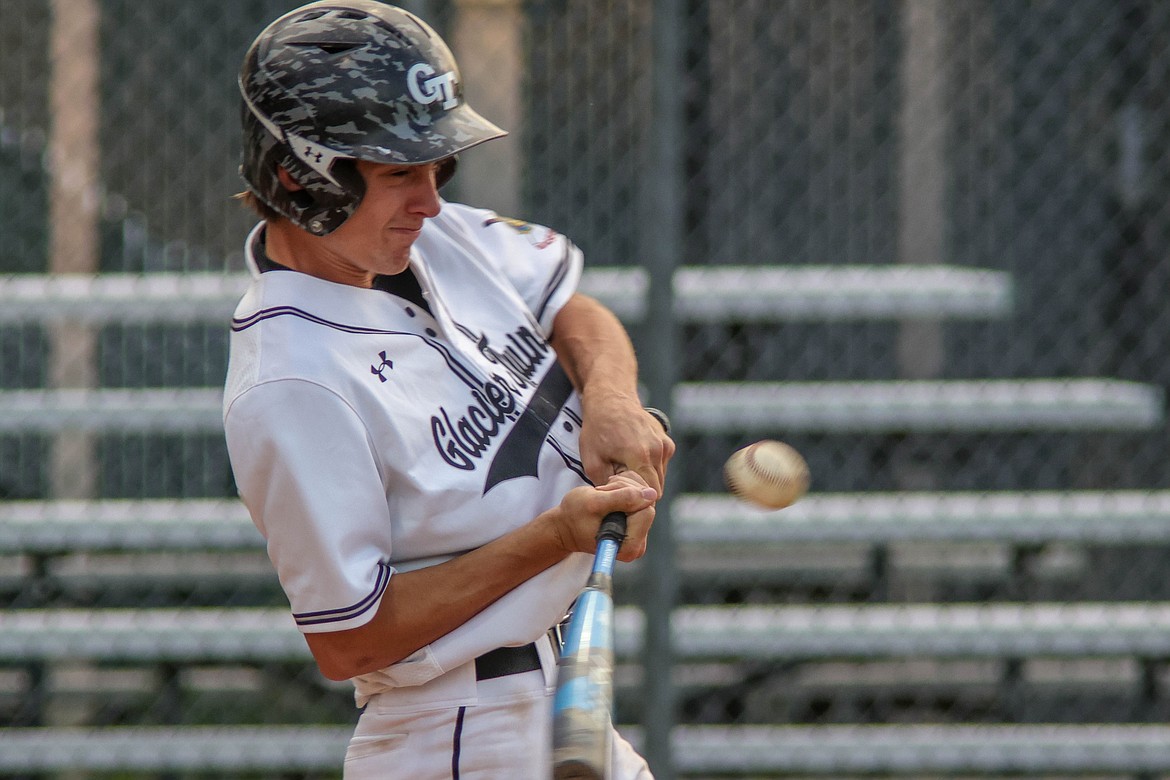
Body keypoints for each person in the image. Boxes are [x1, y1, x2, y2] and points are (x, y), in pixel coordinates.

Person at [221, 2, 675, 778]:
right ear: (303, 177)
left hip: (544, 699)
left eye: (438, 169)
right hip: (458, 734)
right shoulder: (291, 378)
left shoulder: (433, 238)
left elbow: (575, 311)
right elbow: (350, 640)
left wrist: (611, 402)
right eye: (400, 172)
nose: (430, 199)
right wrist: (555, 537)